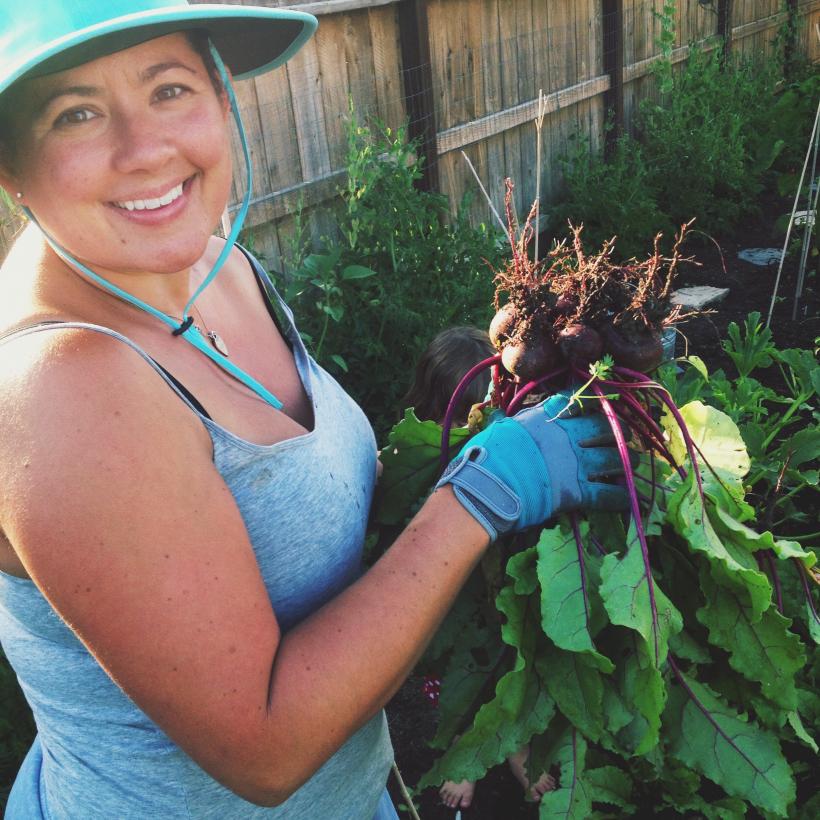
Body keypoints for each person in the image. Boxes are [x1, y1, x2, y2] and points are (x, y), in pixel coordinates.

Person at [0, 3, 628, 817]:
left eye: (169, 88)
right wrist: (482, 495)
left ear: (223, 96)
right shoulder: (64, 389)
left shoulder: (205, 257)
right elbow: (264, 751)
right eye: (76, 112)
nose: (145, 148)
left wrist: (501, 406)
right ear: (12, 163)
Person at [403, 327, 555, 812]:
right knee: (454, 682)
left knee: (509, 660)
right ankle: (462, 753)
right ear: (436, 410)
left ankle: (514, 744)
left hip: (499, 587)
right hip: (445, 601)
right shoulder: (414, 459)